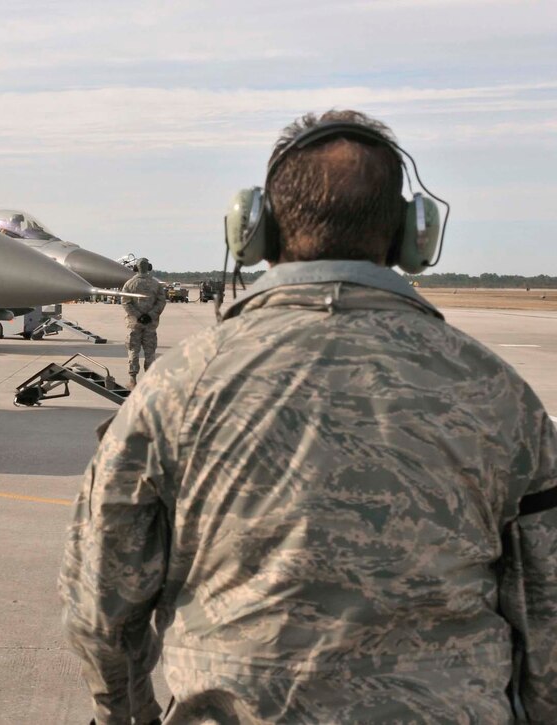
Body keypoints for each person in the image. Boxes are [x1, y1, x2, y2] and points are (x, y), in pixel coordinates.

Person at [59, 110, 557, 724]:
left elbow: (101, 605)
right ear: (412, 236)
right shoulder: (496, 393)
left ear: (255, 231)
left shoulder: (178, 386)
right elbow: (547, 605)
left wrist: (125, 715)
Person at [121, 258, 167, 387]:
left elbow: (125, 302)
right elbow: (161, 302)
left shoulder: (129, 284)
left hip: (134, 324)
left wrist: (138, 315)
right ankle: (150, 381)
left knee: (133, 351)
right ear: (149, 267)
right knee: (150, 352)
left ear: (135, 268)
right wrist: (150, 315)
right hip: (150, 324)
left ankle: (132, 379)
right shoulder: (156, 284)